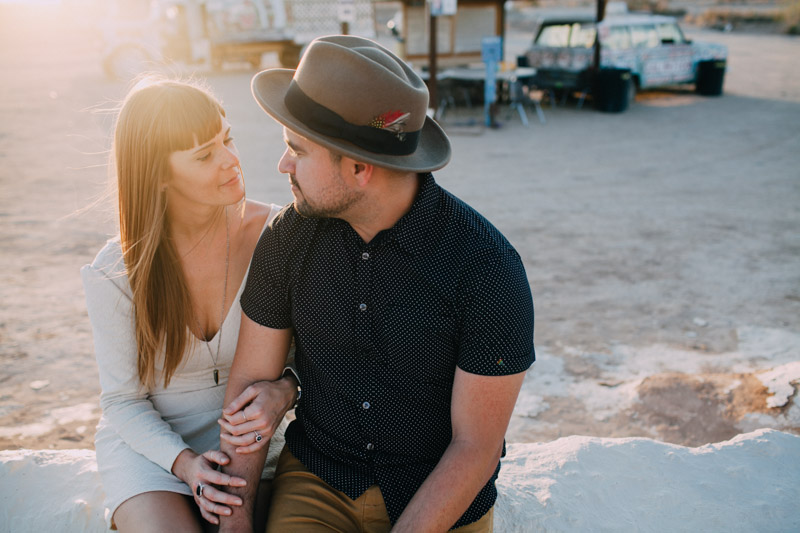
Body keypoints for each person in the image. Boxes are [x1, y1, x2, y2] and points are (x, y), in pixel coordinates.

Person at [218, 35, 535, 532]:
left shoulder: (486, 267)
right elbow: (249, 388)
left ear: (360, 168)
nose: (283, 166)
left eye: (296, 150)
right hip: (319, 481)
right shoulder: (289, 238)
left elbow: (476, 447)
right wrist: (235, 523)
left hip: (439, 497)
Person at [80, 77, 299, 532]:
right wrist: (186, 466)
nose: (232, 161)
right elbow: (122, 402)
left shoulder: (278, 235)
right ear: (158, 174)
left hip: (260, 445)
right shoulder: (116, 272)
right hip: (155, 452)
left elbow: (325, 356)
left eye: (228, 138)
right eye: (204, 155)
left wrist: (287, 389)